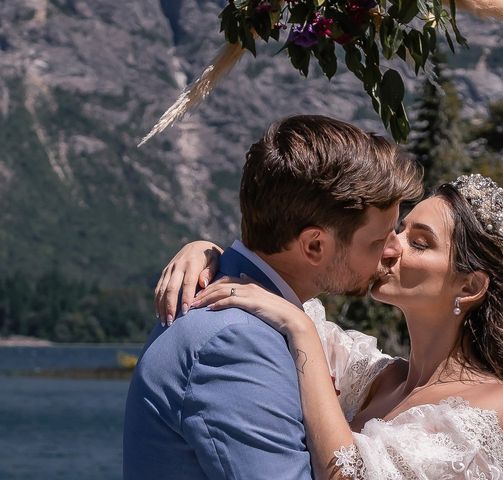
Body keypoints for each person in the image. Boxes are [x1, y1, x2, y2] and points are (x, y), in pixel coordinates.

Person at [158, 174, 503, 479]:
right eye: (399, 230)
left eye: (419, 243)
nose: (392, 247)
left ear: (470, 285)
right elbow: (269, 292)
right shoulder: (376, 377)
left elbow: (346, 475)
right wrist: (211, 253)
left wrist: (300, 329)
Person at [122, 114, 424, 479]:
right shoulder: (237, 342)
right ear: (314, 245)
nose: (393, 250)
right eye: (378, 239)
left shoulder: (268, 315)